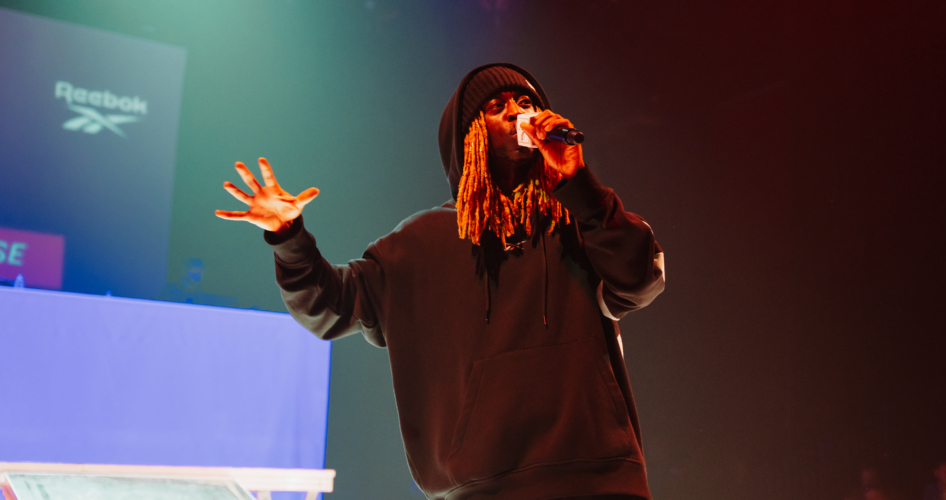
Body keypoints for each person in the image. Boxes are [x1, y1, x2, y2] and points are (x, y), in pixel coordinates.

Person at [216, 63, 665, 500]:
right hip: (480, 489)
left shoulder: (580, 220)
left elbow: (640, 280)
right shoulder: (419, 245)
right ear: (468, 137)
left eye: (526, 103)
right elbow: (327, 308)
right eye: (497, 106)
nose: (516, 112)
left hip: (599, 481)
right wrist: (288, 235)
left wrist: (579, 183)